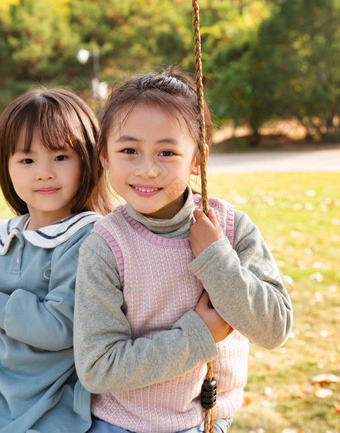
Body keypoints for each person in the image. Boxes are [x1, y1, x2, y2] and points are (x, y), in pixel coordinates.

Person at [74, 68, 293, 433]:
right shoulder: (106, 246)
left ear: (197, 160)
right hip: (122, 424)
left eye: (167, 151)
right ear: (105, 156)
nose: (147, 169)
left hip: (209, 421)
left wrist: (216, 259)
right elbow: (99, 367)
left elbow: (274, 329)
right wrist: (199, 335)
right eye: (129, 150)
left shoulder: (229, 228)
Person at [0, 87, 114, 433]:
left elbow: (60, 329)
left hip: (47, 407)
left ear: (89, 159)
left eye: (61, 157)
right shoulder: (8, 234)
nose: (44, 173)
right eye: (27, 160)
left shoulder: (88, 238)